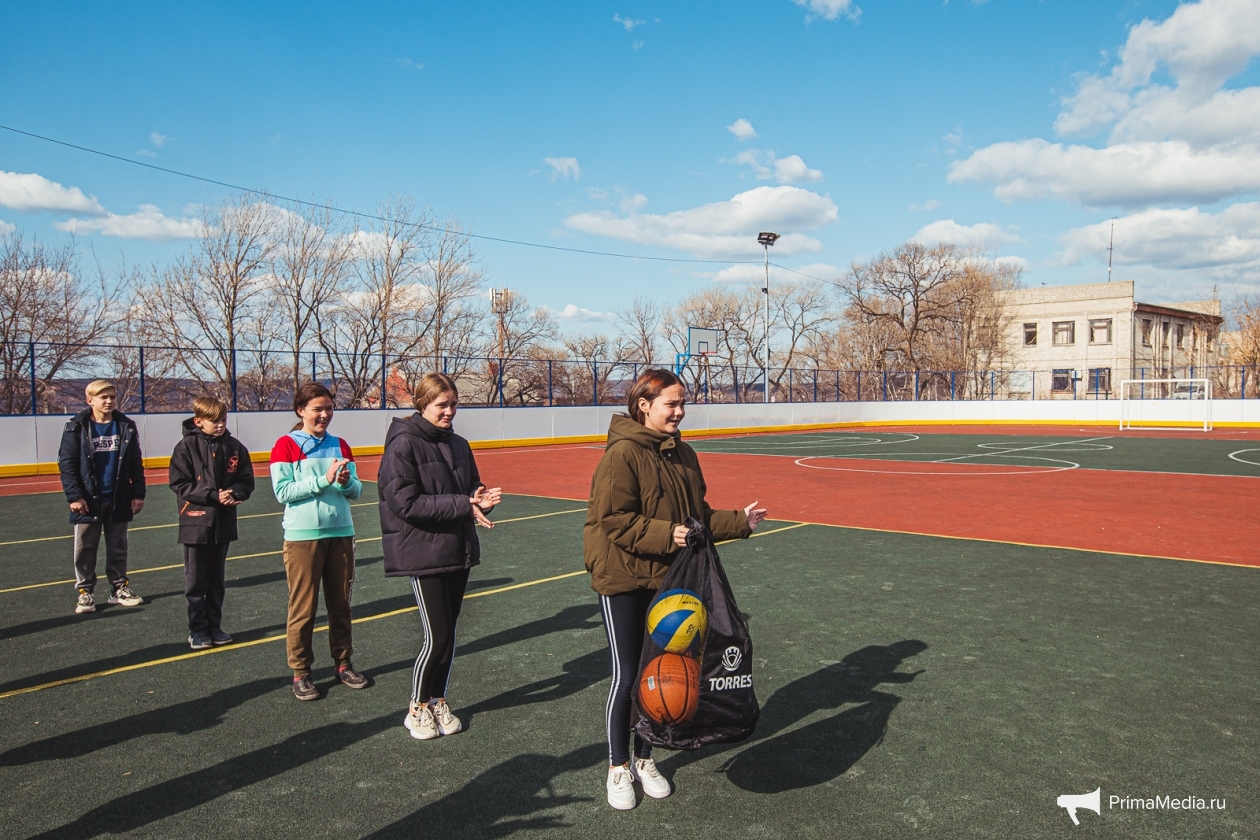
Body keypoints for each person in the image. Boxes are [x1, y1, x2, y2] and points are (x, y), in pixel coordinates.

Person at [584, 368, 767, 810]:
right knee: (630, 675)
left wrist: (737, 522)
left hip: (670, 579)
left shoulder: (683, 454)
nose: (680, 411)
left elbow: (697, 515)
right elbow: (615, 521)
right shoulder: (622, 455)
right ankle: (617, 766)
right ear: (644, 405)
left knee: (662, 674)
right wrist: (670, 535)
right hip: (624, 577)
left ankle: (646, 758)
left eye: (683, 403)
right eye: (672, 403)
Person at [377, 373, 501, 740]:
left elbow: (468, 490)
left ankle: (437, 700)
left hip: (457, 547)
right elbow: (404, 502)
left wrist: (479, 503)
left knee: (449, 634)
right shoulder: (403, 445)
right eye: (441, 405)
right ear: (421, 404)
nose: (449, 411)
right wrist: (465, 503)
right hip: (423, 550)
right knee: (438, 633)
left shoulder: (460, 444)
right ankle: (416, 706)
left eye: (453, 404)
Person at [270, 382, 368, 701]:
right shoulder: (285, 445)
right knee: (304, 608)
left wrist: (342, 483)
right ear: (301, 411)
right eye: (317, 409)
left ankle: (343, 664)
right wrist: (322, 480)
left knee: (340, 605)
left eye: (328, 408)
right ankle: (301, 673)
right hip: (302, 539)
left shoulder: (340, 444)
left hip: (341, 533)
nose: (324, 414)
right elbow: (283, 492)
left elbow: (356, 491)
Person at [168, 396, 255, 650]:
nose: (220, 425)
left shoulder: (235, 447)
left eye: (223, 420)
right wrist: (213, 495)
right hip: (195, 523)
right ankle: (197, 630)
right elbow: (180, 484)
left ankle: (215, 626)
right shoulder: (186, 447)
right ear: (199, 421)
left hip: (224, 523)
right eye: (214, 421)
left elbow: (246, 480)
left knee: (217, 580)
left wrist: (235, 493)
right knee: (196, 580)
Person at [58, 379, 147, 615]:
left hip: (118, 498)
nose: (109, 401)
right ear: (90, 400)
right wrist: (75, 496)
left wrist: (138, 493)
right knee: (85, 548)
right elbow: (67, 465)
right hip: (88, 500)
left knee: (118, 546)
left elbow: (135, 463)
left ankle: (119, 589)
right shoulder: (75, 427)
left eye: (112, 397)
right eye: (103, 397)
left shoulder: (125, 425)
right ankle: (85, 593)